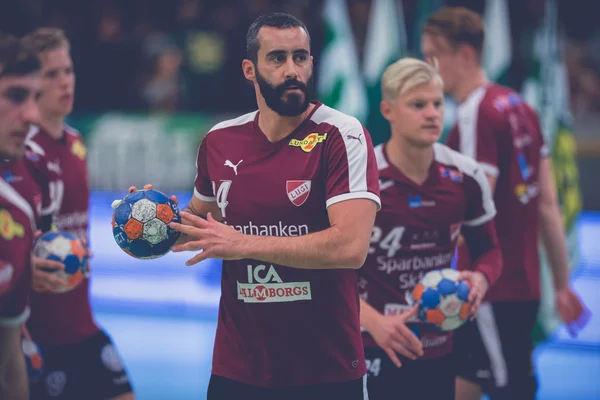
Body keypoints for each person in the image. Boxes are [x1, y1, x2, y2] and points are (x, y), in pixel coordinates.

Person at [132, 12, 380, 400]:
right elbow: (200, 222)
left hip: (325, 369)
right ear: (250, 69)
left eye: (301, 57)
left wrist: (241, 243)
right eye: (278, 58)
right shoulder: (219, 140)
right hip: (238, 369)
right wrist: (152, 218)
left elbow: (350, 247)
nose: (292, 69)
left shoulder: (341, 134)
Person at [421, 7, 589, 399]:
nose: (430, 67)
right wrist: (561, 286)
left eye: (434, 56)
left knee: (511, 387)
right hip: (521, 282)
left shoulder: (474, 113)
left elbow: (474, 209)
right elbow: (548, 205)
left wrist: (413, 253)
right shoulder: (521, 107)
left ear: (464, 55)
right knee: (463, 381)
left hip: (488, 288)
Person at [358, 57, 502, 400]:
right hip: (366, 345)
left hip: (437, 346)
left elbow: (490, 252)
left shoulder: (466, 176)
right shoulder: (361, 176)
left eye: (438, 103)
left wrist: (481, 278)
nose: (432, 113)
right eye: (418, 105)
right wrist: (375, 323)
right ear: (388, 110)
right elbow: (327, 272)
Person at [20, 28, 134, 400]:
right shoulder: (20, 151)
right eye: (51, 74)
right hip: (37, 334)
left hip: (82, 324)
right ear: (31, 84)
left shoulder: (74, 142)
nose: (64, 82)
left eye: (68, 71)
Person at [0, 31, 41, 400]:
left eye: (34, 98)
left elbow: (8, 359)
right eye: (15, 96)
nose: (31, 115)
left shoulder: (19, 210)